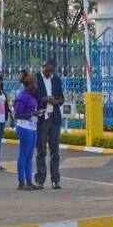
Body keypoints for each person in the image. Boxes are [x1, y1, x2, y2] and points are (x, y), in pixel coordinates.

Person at [35, 59, 64, 189]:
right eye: (47, 71)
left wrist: (56, 101)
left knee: (55, 151)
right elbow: (32, 98)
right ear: (43, 67)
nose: (49, 74)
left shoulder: (56, 80)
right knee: (41, 150)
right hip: (41, 118)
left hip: (54, 118)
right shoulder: (35, 79)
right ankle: (40, 179)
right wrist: (45, 99)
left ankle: (55, 180)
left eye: (52, 72)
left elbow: (62, 98)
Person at [14, 72, 40, 191]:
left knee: (29, 156)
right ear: (28, 84)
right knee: (23, 155)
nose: (36, 85)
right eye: (34, 83)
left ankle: (29, 181)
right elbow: (17, 115)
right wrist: (32, 114)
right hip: (24, 127)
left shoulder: (31, 96)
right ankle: (21, 182)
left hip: (32, 127)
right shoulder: (22, 97)